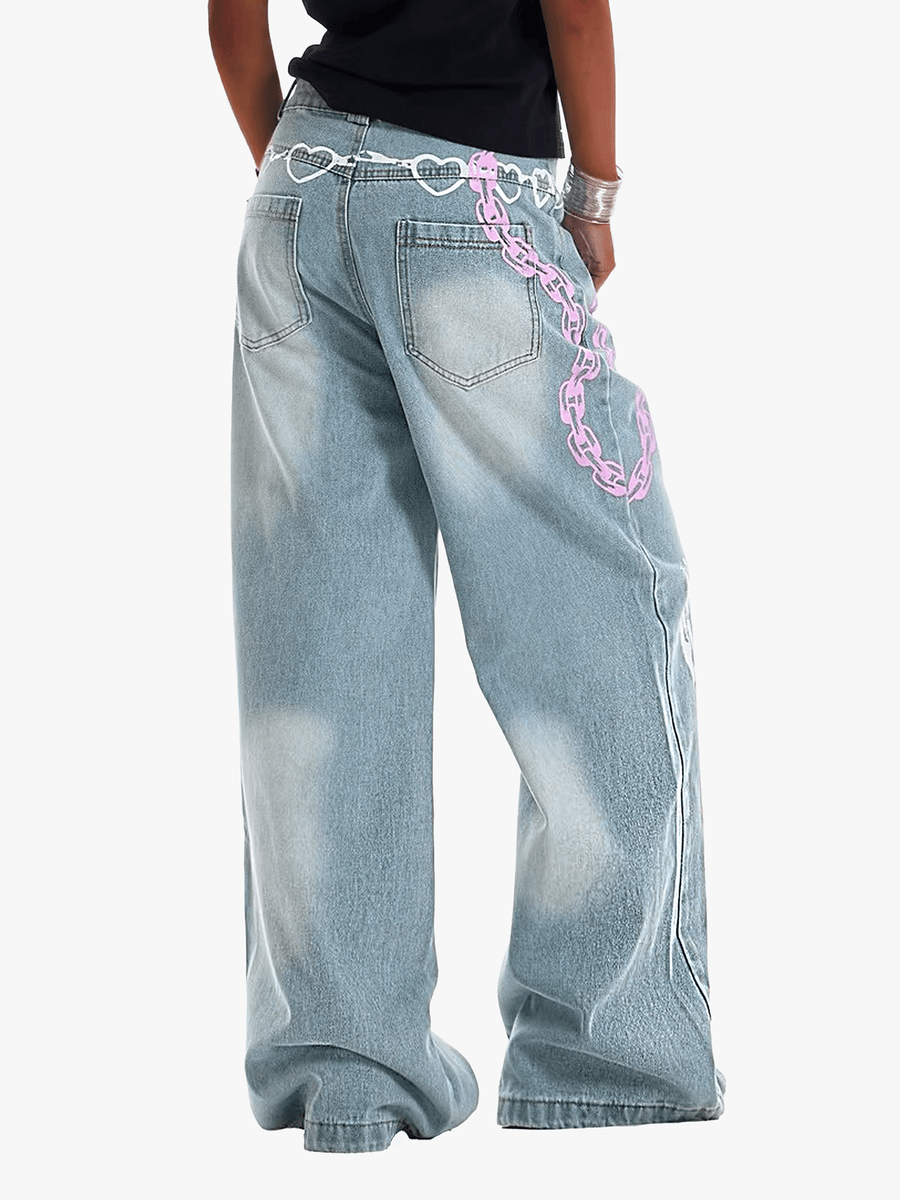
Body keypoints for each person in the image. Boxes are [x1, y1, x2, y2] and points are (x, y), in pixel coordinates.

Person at [208, 0, 726, 1154]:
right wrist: (595, 194)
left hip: (296, 199)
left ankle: (344, 1069)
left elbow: (230, 18)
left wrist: (315, 181)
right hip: (469, 202)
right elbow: (574, 9)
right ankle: (610, 1053)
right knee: (601, 622)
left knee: (322, 653)